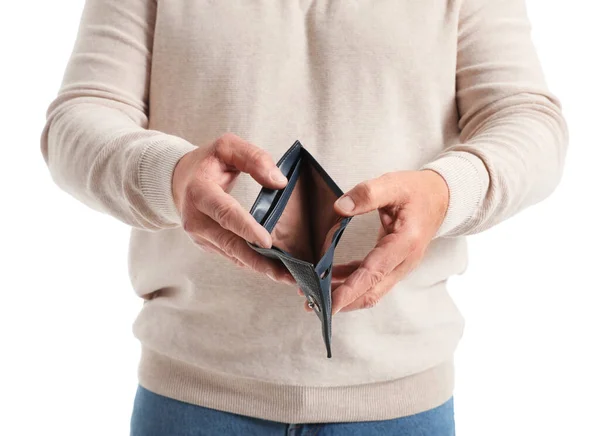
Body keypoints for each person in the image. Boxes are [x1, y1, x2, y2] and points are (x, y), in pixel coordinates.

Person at [41, 0, 568, 435]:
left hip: (399, 401)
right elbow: (79, 118)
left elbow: (528, 119)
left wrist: (444, 191)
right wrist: (171, 174)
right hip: (191, 395)